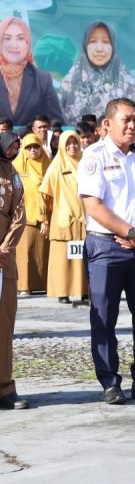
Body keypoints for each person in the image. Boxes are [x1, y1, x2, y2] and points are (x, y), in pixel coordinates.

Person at [77, 98, 135, 405]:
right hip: (106, 247)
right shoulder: (94, 155)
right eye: (126, 120)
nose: (132, 126)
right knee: (104, 316)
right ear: (107, 124)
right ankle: (109, 382)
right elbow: (93, 205)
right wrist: (130, 233)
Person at [60, 22, 135, 125]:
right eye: (92, 41)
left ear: (113, 46)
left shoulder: (128, 85)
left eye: (105, 42)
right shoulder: (70, 83)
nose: (99, 49)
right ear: (85, 46)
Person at [39, 131, 88, 304]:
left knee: (84, 257)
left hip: (85, 218)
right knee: (62, 258)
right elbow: (44, 194)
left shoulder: (86, 163)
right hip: (63, 219)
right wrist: (44, 220)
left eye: (75, 143)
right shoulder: (56, 166)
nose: (72, 147)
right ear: (61, 145)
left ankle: (85, 290)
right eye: (68, 144)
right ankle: (62, 292)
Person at [0, 131, 27, 410]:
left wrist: (5, 247)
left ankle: (5, 388)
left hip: (4, 260)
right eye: (9, 147)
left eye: (15, 148)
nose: (12, 151)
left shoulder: (12, 173)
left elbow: (19, 213)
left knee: (4, 324)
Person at [0, 18, 64, 125]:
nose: (14, 45)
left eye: (20, 38)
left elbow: (56, 122)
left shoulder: (42, 79)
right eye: (7, 38)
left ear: (28, 42)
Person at [12, 133, 49, 294]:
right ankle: (25, 286)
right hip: (24, 218)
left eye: (36, 146)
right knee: (25, 254)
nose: (32, 150)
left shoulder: (49, 165)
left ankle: (44, 284)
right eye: (28, 147)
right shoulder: (16, 166)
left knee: (44, 253)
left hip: (46, 217)